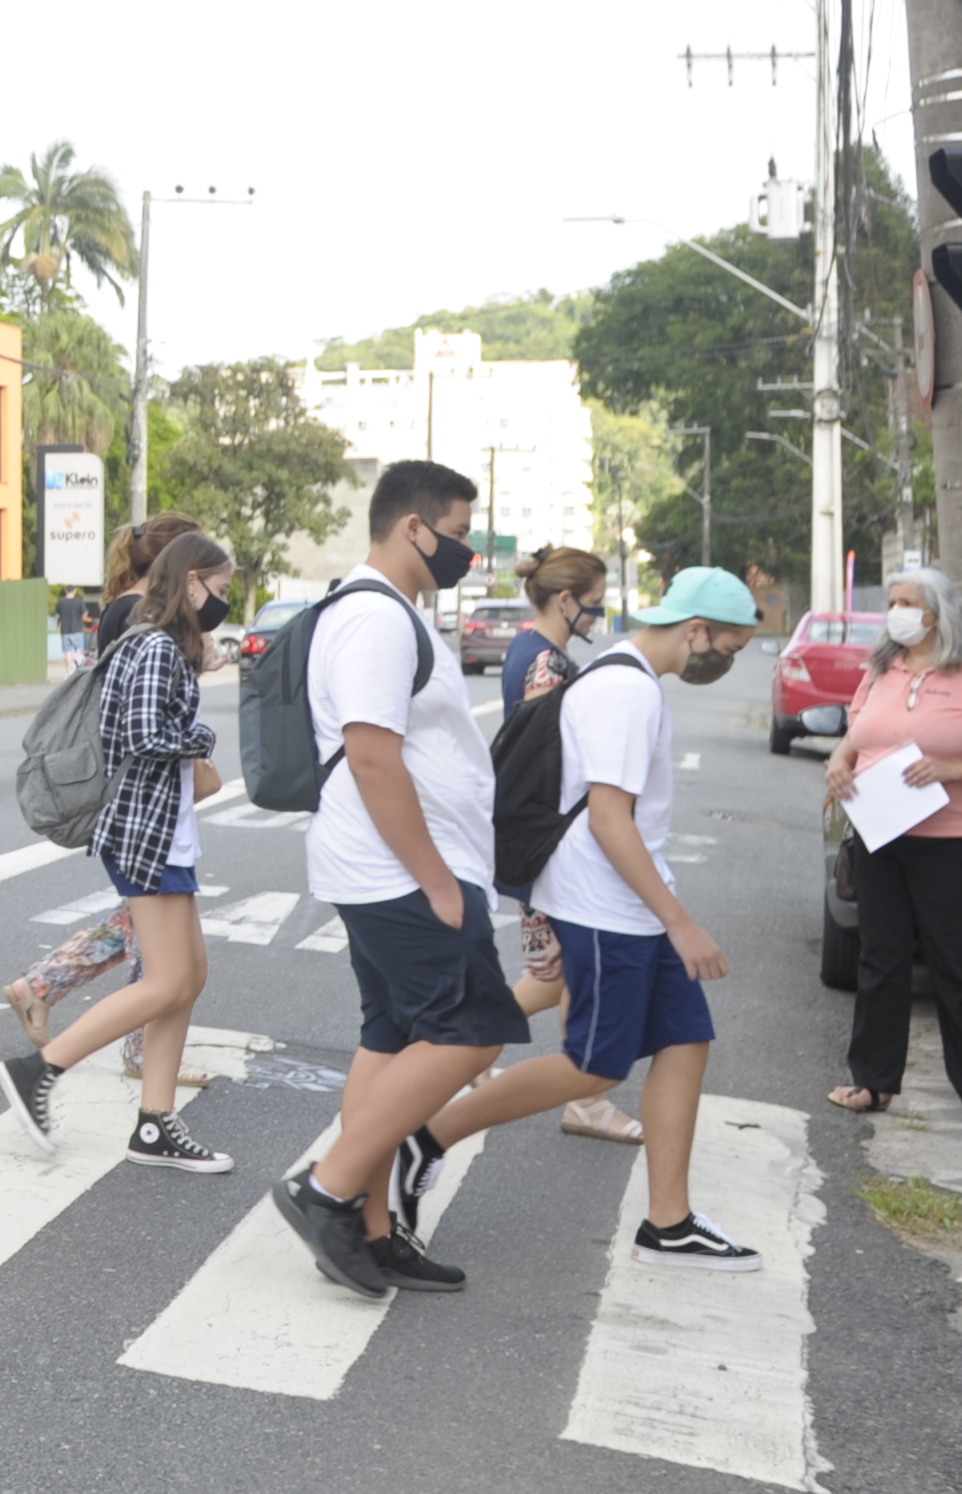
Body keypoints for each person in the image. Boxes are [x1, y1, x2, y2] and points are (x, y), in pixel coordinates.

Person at [391, 569, 768, 1270]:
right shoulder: (626, 691)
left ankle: (669, 1220)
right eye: (731, 646)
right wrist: (680, 922)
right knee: (594, 1065)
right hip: (608, 906)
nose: (727, 661)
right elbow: (608, 821)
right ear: (695, 632)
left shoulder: (623, 677)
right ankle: (427, 1133)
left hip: (623, 904)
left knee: (686, 1038)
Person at [272, 460, 517, 1303]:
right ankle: (327, 1189)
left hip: (379, 865)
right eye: (457, 531)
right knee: (471, 1030)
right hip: (399, 870)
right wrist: (438, 882)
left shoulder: (382, 612)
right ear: (413, 527)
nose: (467, 549)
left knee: (389, 1038)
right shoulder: (376, 619)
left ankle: (373, 1230)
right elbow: (374, 755)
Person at [0, 525, 238, 1171]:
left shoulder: (161, 642)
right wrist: (202, 734)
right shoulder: (154, 645)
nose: (222, 602)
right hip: (143, 832)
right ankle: (39, 1070)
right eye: (218, 589)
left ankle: (155, 1124)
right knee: (167, 981)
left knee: (187, 978)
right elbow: (142, 735)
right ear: (190, 583)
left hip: (164, 831)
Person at [817, 563, 962, 1134]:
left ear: (938, 613)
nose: (896, 611)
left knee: (956, 967)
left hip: (953, 842)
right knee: (879, 959)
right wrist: (838, 765)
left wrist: (956, 768)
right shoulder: (881, 671)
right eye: (892, 601)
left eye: (907, 601)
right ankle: (873, 1080)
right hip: (880, 835)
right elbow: (853, 738)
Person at [493, 546, 644, 1147]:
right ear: (565, 600)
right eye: (596, 606)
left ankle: (579, 1092)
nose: (598, 618)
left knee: (562, 974)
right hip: (550, 843)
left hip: (541, 840)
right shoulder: (547, 667)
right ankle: (579, 1094)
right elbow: (542, 765)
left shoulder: (530, 651)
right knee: (568, 970)